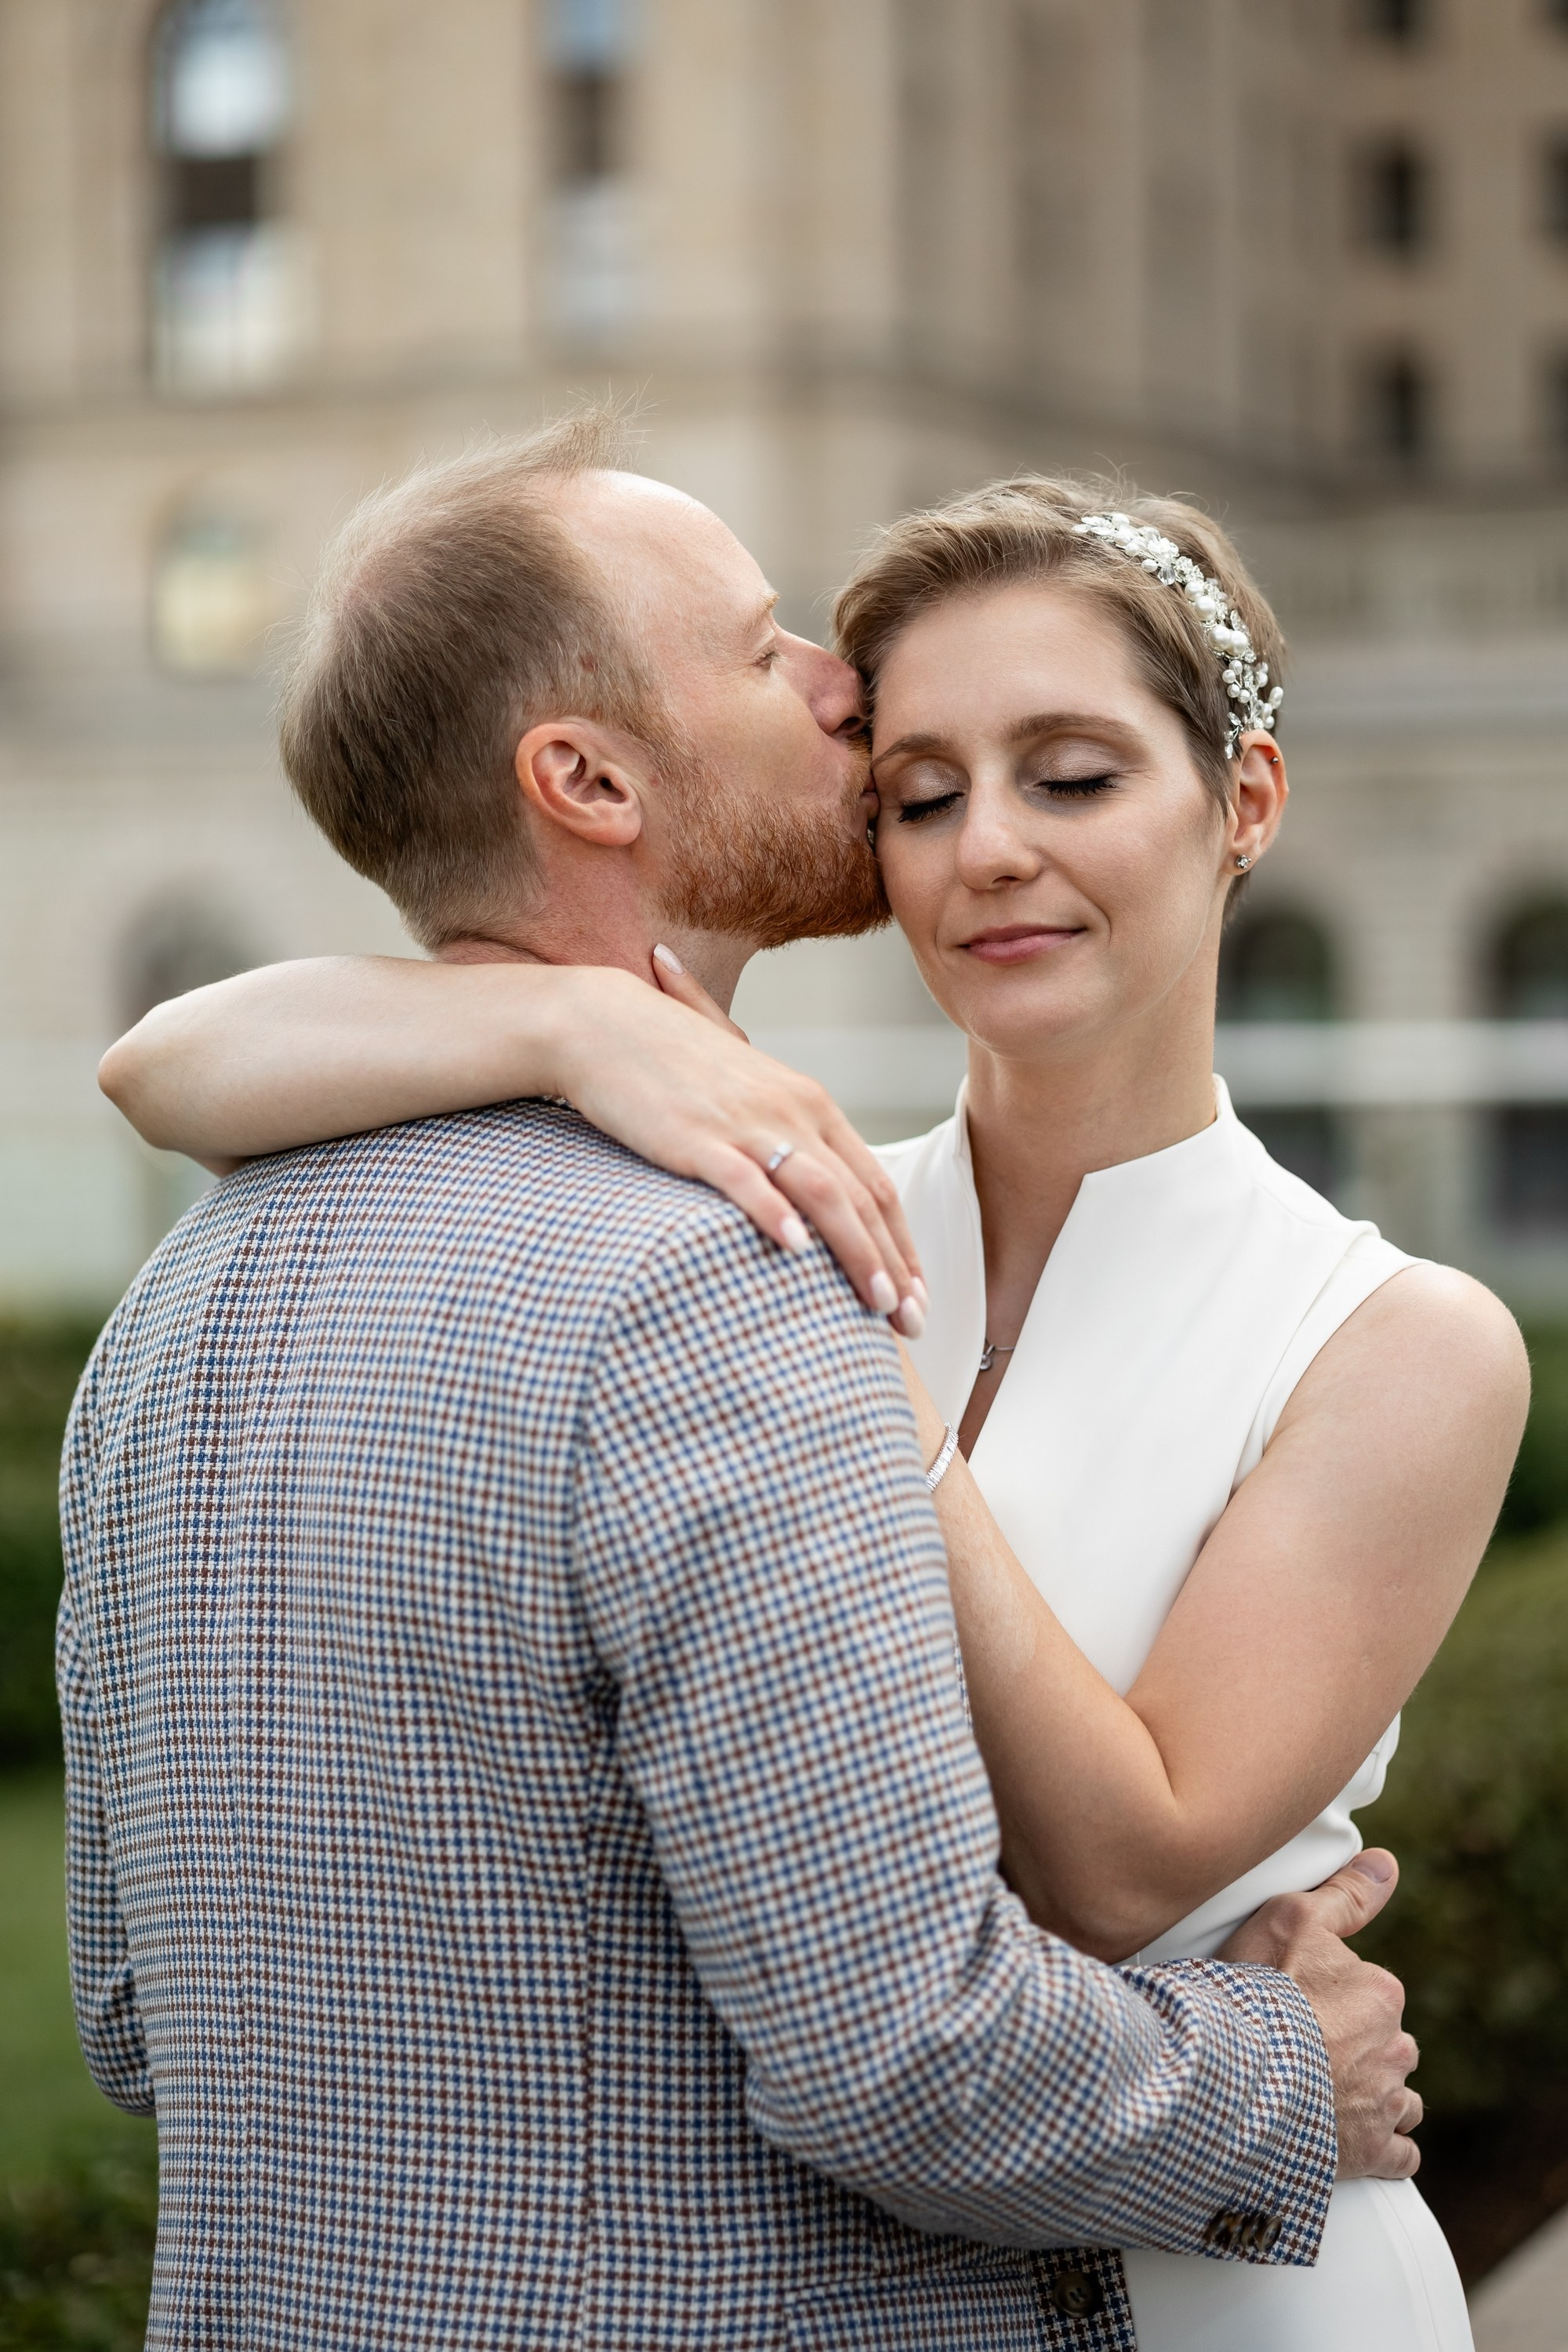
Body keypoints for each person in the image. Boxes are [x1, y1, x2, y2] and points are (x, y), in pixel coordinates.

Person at [87, 416, 1477, 2348]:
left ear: (1243, 801)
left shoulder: (193, 1291)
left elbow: (131, 2009)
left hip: (1262, 2282)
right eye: (911, 784)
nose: (977, 837)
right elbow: (898, 2047)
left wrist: (842, 1344)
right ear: (581, 777)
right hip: (1052, 2200)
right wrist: (578, 1023)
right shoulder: (759, 1242)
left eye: (1071, 774)